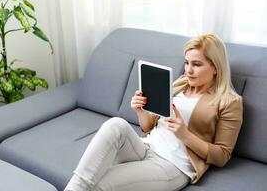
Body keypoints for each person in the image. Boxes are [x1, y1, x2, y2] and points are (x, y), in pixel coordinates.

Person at [64, 34, 243, 191]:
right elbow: (148, 128)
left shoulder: (229, 102)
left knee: (99, 183)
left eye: (197, 64)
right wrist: (141, 111)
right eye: (187, 62)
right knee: (116, 124)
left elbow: (222, 156)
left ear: (216, 68)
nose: (188, 70)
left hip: (172, 165)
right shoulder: (180, 84)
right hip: (146, 146)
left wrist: (184, 134)